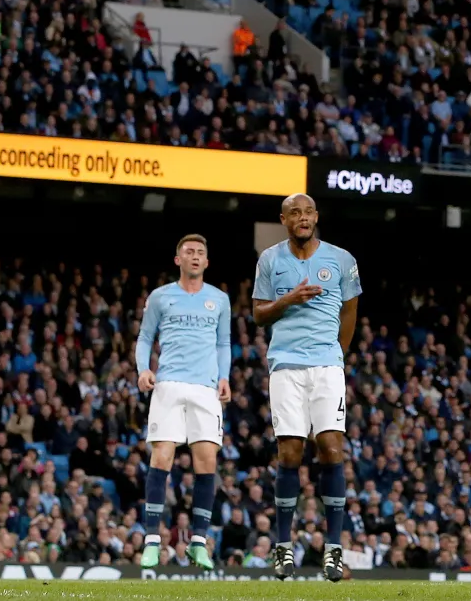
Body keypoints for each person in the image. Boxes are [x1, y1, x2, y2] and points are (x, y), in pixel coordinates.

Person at [252, 193, 361, 581]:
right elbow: (258, 314)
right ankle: (283, 547)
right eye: (294, 213)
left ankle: (333, 549)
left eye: (308, 211)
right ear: (284, 219)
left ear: (316, 216)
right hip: (285, 366)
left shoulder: (342, 259)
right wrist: (290, 298)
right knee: (290, 452)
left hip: (327, 366)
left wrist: (338, 355)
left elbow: (350, 311)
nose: (302, 218)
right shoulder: (270, 260)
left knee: (332, 448)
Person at [135, 234, 232, 570]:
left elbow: (223, 342)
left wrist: (224, 376)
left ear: (206, 262)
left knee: (206, 463)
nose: (194, 256)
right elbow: (145, 336)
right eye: (188, 252)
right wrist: (143, 368)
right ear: (178, 260)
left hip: (205, 389)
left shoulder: (219, 300)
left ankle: (198, 543)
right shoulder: (161, 297)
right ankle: (151, 541)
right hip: (169, 385)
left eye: (200, 253)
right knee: (162, 456)